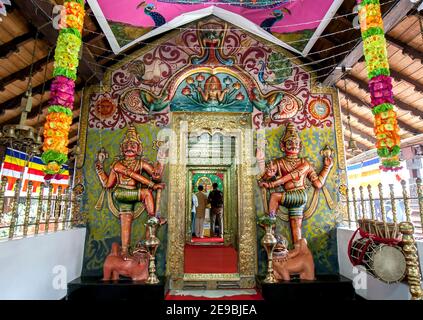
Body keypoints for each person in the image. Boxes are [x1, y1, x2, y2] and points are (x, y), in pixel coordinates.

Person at [258, 121, 333, 244]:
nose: (293, 145)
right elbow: (264, 178)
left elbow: (318, 184)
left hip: (299, 194)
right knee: (296, 226)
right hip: (295, 197)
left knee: (274, 196)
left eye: (296, 143)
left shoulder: (305, 164)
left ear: (300, 146)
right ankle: (299, 249)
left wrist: (326, 168)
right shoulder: (279, 162)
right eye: (290, 143)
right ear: (283, 146)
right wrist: (268, 175)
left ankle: (270, 225)